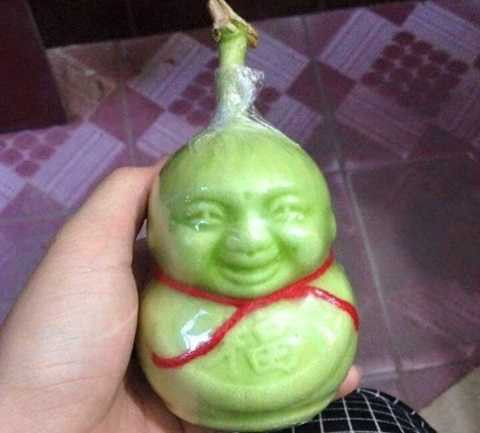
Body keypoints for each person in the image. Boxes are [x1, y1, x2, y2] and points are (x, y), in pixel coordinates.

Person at [0, 164, 436, 433]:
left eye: (285, 211)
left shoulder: (324, 298)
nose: (250, 240)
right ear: (159, 234)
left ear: (330, 224)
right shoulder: (167, 312)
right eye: (205, 217)